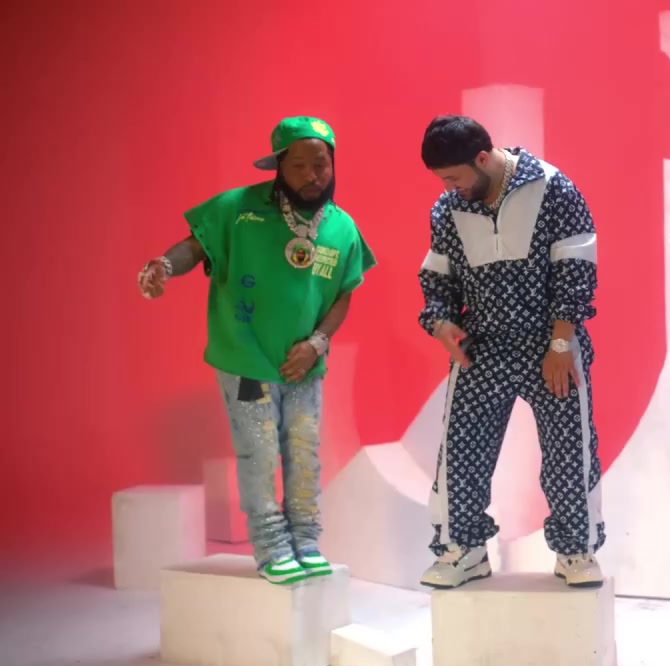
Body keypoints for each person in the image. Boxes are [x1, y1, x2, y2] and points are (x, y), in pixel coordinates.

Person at [136, 116, 376, 585]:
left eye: (321, 164)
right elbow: (194, 247)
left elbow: (344, 293)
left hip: (304, 365)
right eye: (299, 165)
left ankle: (305, 539)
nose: (312, 175)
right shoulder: (238, 208)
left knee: (304, 453)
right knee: (259, 452)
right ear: (278, 166)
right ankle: (270, 546)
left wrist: (317, 344)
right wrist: (164, 264)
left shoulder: (343, 228)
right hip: (246, 360)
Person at [416, 115, 605, 589]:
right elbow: (437, 279)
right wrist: (441, 321)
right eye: (443, 180)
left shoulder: (553, 187)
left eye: (454, 177)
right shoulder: (447, 209)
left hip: (550, 343)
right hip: (482, 347)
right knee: (461, 451)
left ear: (482, 158)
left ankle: (576, 551)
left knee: (569, 452)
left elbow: (576, 269)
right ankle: (463, 550)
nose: (450, 188)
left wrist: (560, 342)